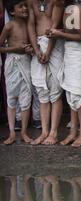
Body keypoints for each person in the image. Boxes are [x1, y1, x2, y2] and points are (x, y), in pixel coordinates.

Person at [48, 0, 81, 147]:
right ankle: (73, 133)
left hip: (79, 53)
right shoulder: (67, 8)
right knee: (71, 94)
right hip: (70, 51)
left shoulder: (75, 9)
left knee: (78, 95)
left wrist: (59, 34)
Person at [27, 0, 64, 145]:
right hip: (38, 45)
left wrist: (48, 51)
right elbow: (31, 25)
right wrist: (36, 50)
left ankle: (53, 132)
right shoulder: (31, 2)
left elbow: (54, 28)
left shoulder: (56, 2)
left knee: (55, 90)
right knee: (42, 91)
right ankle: (44, 132)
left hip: (54, 46)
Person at [0, 0, 33, 145]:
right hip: (12, 63)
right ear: (12, 11)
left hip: (26, 62)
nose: (25, 8)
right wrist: (15, 49)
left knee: (26, 98)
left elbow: (32, 43)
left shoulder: (29, 24)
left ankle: (24, 132)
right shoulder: (9, 26)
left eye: (26, 5)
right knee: (12, 98)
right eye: (21, 6)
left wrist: (29, 49)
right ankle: (12, 132)